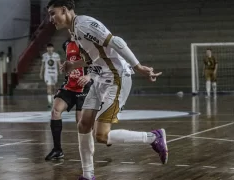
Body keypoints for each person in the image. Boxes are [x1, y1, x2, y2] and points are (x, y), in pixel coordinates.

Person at [47, 1, 168, 179]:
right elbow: (92, 59)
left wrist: (138, 66)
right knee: (83, 125)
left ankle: (153, 137)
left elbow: (115, 41)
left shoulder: (84, 24)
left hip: (116, 78)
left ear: (64, 10)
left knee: (101, 135)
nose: (51, 19)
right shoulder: (74, 30)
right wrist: (74, 64)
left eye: (52, 13)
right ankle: (88, 175)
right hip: (99, 80)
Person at [45, 37, 93, 161]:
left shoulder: (88, 44)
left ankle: (89, 148)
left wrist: (89, 76)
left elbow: (98, 63)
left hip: (84, 87)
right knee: (55, 111)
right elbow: (70, 61)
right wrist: (65, 67)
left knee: (80, 123)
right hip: (69, 86)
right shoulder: (66, 44)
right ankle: (57, 150)